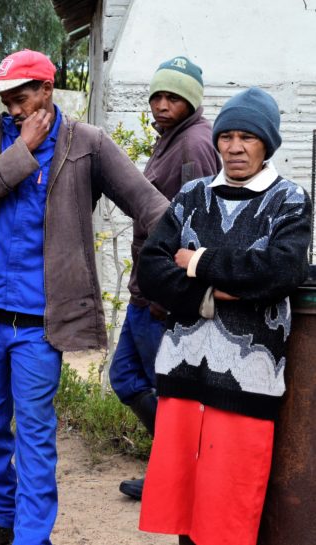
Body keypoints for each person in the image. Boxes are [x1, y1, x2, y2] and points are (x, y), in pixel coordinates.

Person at [0, 49, 170, 545]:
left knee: (36, 435)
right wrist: (21, 148)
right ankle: (0, 519)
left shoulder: (87, 144)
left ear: (47, 89)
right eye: (5, 100)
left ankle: (31, 536)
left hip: (40, 325)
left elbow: (147, 203)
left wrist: (197, 250)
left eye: (21, 98)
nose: (13, 109)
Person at [137, 87, 311, 545]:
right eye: (227, 136)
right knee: (184, 516)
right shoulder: (193, 195)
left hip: (246, 387)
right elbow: (151, 268)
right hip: (182, 376)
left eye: (248, 138)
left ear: (267, 144)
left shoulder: (289, 200)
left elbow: (280, 270)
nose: (235, 147)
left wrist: (197, 261)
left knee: (228, 519)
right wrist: (213, 296)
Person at [110, 55, 220, 501]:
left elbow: (199, 222)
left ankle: (185, 473)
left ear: (190, 101)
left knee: (170, 391)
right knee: (127, 377)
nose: (160, 104)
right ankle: (173, 464)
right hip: (146, 290)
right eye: (156, 95)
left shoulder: (194, 144)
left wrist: (174, 290)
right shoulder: (172, 138)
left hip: (162, 296)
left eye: (172, 97)